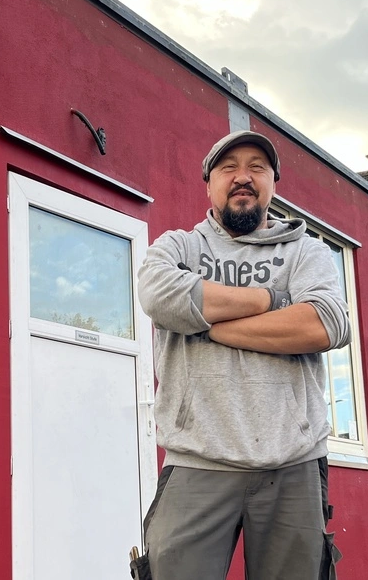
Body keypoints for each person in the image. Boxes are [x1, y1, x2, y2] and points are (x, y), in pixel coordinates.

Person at [136, 130, 351, 580]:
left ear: (272, 182)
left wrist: (206, 323)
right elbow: (158, 295)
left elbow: (326, 324)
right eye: (228, 168)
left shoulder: (306, 251)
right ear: (208, 185)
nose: (243, 177)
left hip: (293, 461)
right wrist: (272, 300)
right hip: (196, 459)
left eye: (257, 167)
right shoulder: (179, 246)